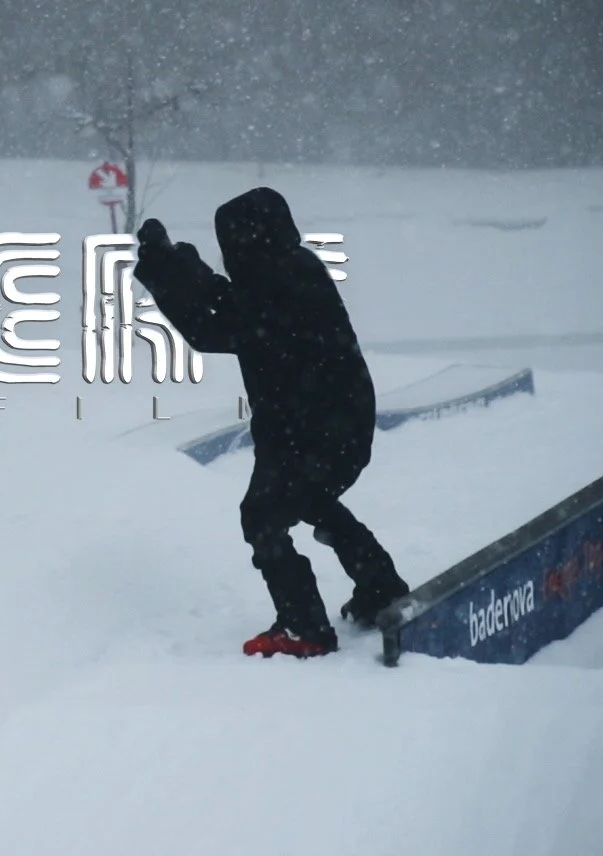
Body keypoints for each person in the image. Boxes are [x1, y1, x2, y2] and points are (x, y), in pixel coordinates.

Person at [132, 188, 409, 658]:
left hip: (310, 429)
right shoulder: (291, 268)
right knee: (312, 500)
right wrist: (174, 260)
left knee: (262, 516)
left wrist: (162, 271)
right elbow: (226, 299)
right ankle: (381, 589)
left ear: (245, 243)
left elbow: (210, 328)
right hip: (336, 421)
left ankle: (304, 627)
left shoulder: (275, 284)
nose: (228, 256)